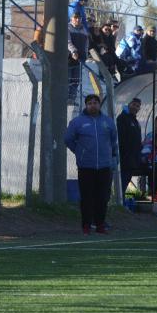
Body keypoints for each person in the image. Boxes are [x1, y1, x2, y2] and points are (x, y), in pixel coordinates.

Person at [65, 94, 117, 235]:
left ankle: (100, 224)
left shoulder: (108, 122)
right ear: (86, 105)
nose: (93, 105)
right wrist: (79, 151)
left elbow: (113, 141)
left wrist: (111, 157)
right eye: (90, 103)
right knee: (87, 197)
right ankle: (86, 225)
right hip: (86, 166)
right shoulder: (77, 122)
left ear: (99, 105)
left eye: (95, 102)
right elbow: (68, 139)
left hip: (105, 166)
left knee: (102, 197)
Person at [116, 98, 142, 198]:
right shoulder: (122, 118)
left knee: (126, 179)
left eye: (137, 106)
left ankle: (121, 200)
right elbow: (120, 138)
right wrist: (123, 153)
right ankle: (118, 200)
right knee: (123, 179)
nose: (135, 107)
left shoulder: (135, 120)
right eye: (134, 105)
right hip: (125, 157)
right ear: (129, 104)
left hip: (133, 158)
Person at [67, 12, 88, 101]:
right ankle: (65, 98)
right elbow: (67, 41)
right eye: (75, 18)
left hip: (80, 58)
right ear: (71, 18)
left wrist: (85, 53)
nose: (77, 19)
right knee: (67, 79)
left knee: (76, 80)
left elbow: (87, 43)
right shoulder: (67, 28)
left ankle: (72, 98)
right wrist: (73, 51)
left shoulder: (83, 29)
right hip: (69, 57)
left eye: (79, 18)